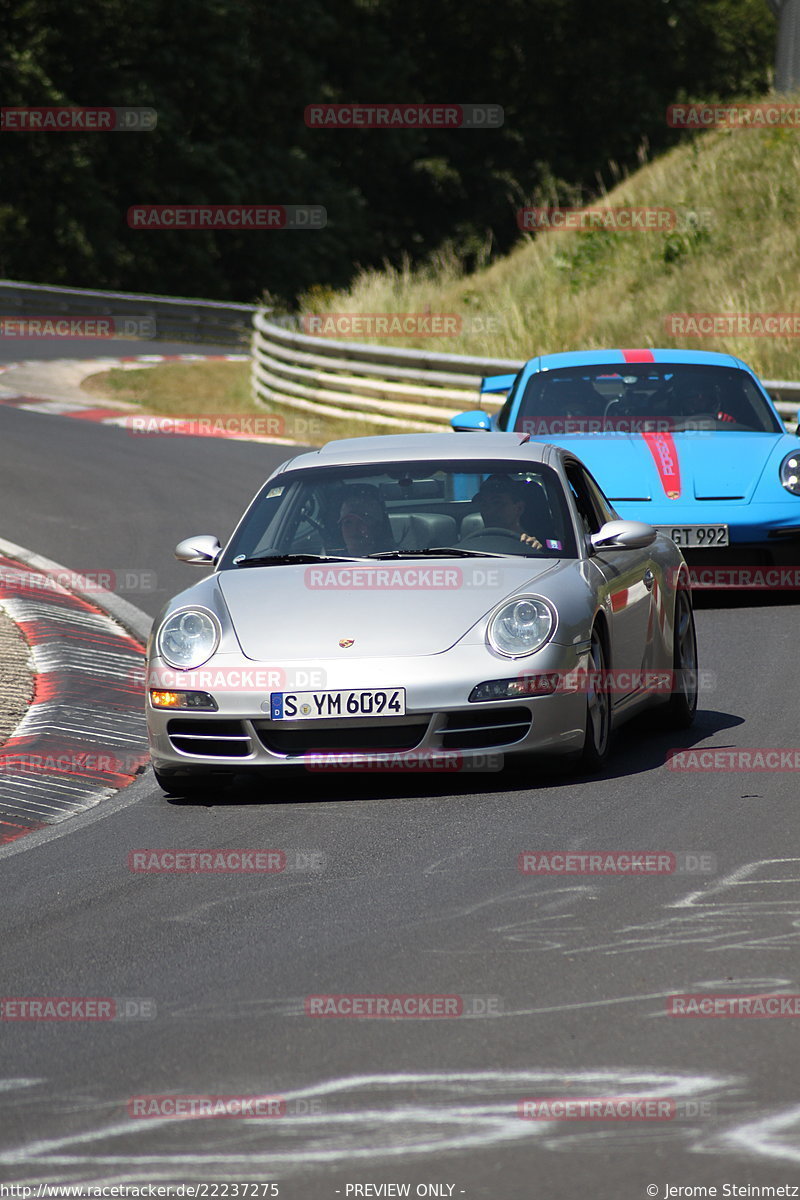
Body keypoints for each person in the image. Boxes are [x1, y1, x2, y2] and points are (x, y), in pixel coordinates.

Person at [472, 475, 544, 549]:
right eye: (484, 504)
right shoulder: (473, 545)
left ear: (519, 508)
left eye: (497, 503)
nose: (489, 511)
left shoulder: (532, 544)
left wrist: (535, 550)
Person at [336, 484, 394, 555]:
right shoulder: (326, 562)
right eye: (348, 522)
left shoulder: (399, 562)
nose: (354, 529)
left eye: (362, 522)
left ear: (377, 528)